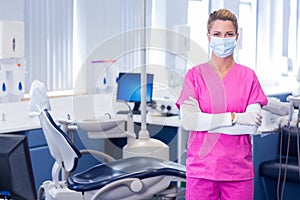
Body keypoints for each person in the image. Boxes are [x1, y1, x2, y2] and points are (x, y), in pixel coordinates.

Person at [176, 8, 268, 200]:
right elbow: (190, 122)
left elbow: (250, 126)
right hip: (201, 172)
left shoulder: (248, 77)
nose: (223, 39)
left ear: (237, 37)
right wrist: (234, 117)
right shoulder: (195, 76)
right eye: (217, 34)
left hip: (237, 173)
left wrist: (207, 124)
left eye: (229, 34)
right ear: (208, 37)